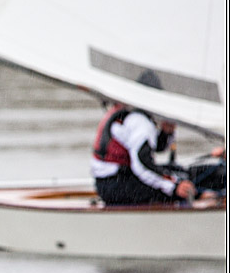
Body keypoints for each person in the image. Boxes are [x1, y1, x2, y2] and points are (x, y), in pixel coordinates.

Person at [91, 70, 224, 205]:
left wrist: (166, 133)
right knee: (178, 188)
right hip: (116, 185)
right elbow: (141, 165)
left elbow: (154, 147)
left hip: (112, 181)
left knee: (182, 173)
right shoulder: (140, 122)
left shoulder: (127, 113)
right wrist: (174, 187)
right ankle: (206, 196)